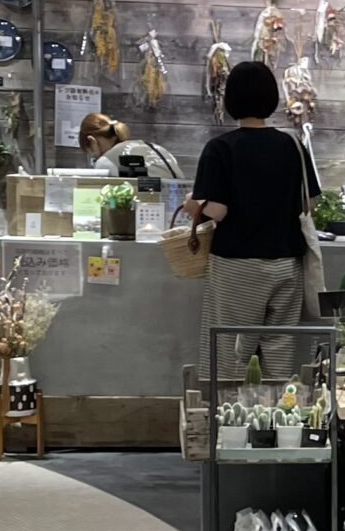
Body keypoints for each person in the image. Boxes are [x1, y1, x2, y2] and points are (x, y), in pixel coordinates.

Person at [186, 60, 321, 381]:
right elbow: (310, 202)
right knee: (279, 350)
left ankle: (228, 412)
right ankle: (276, 411)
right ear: (271, 98)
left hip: (237, 267)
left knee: (231, 352)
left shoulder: (220, 148)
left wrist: (193, 205)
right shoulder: (292, 145)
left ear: (230, 100)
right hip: (286, 265)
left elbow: (218, 211)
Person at [77, 110, 182, 181]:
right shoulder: (154, 147)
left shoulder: (106, 161)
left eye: (89, 151)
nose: (93, 156)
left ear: (92, 141)